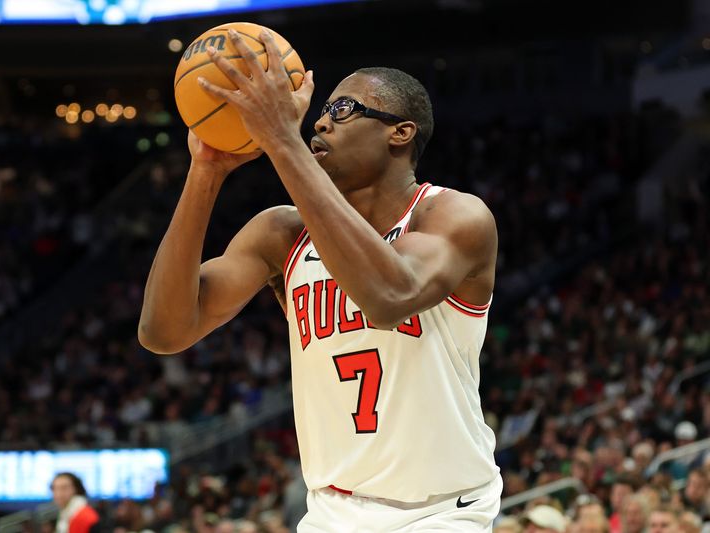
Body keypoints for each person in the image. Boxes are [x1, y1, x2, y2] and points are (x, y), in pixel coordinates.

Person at [139, 28, 500, 531]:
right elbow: (164, 331)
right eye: (323, 111)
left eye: (345, 109)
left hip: (441, 511)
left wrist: (283, 142)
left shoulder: (452, 216)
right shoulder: (282, 231)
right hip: (331, 510)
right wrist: (206, 172)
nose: (321, 123)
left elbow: (389, 296)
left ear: (401, 132)